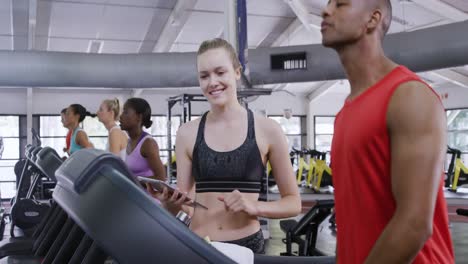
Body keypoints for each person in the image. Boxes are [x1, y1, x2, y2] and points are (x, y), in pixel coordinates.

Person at [321, 0, 454, 263]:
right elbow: (351, 221)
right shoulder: (344, 114)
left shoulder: (409, 96)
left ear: (373, 19)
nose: (326, 10)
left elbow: (414, 225)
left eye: (340, 4)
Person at [149, 38, 301, 254]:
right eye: (204, 76)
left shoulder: (267, 130)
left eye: (220, 72)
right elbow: (185, 203)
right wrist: (170, 205)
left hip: (245, 245)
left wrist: (255, 207)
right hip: (198, 243)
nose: (212, 82)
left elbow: (293, 202)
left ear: (237, 72)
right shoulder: (187, 132)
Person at [120, 98, 166, 181]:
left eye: (125, 112)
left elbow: (161, 178)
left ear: (139, 117)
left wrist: (132, 180)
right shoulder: (129, 141)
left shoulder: (148, 144)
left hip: (145, 194)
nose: (121, 116)